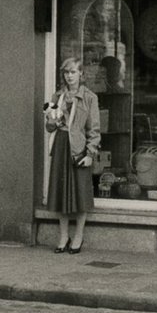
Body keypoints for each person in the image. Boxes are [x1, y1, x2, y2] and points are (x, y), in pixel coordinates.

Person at [43, 56, 100, 254]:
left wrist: (91, 153)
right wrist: (52, 122)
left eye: (73, 72)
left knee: (80, 193)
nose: (69, 76)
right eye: (66, 72)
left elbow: (94, 129)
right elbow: (49, 127)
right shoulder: (57, 96)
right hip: (60, 145)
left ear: (81, 74)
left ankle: (78, 236)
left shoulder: (90, 97)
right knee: (61, 192)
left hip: (79, 149)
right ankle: (63, 235)